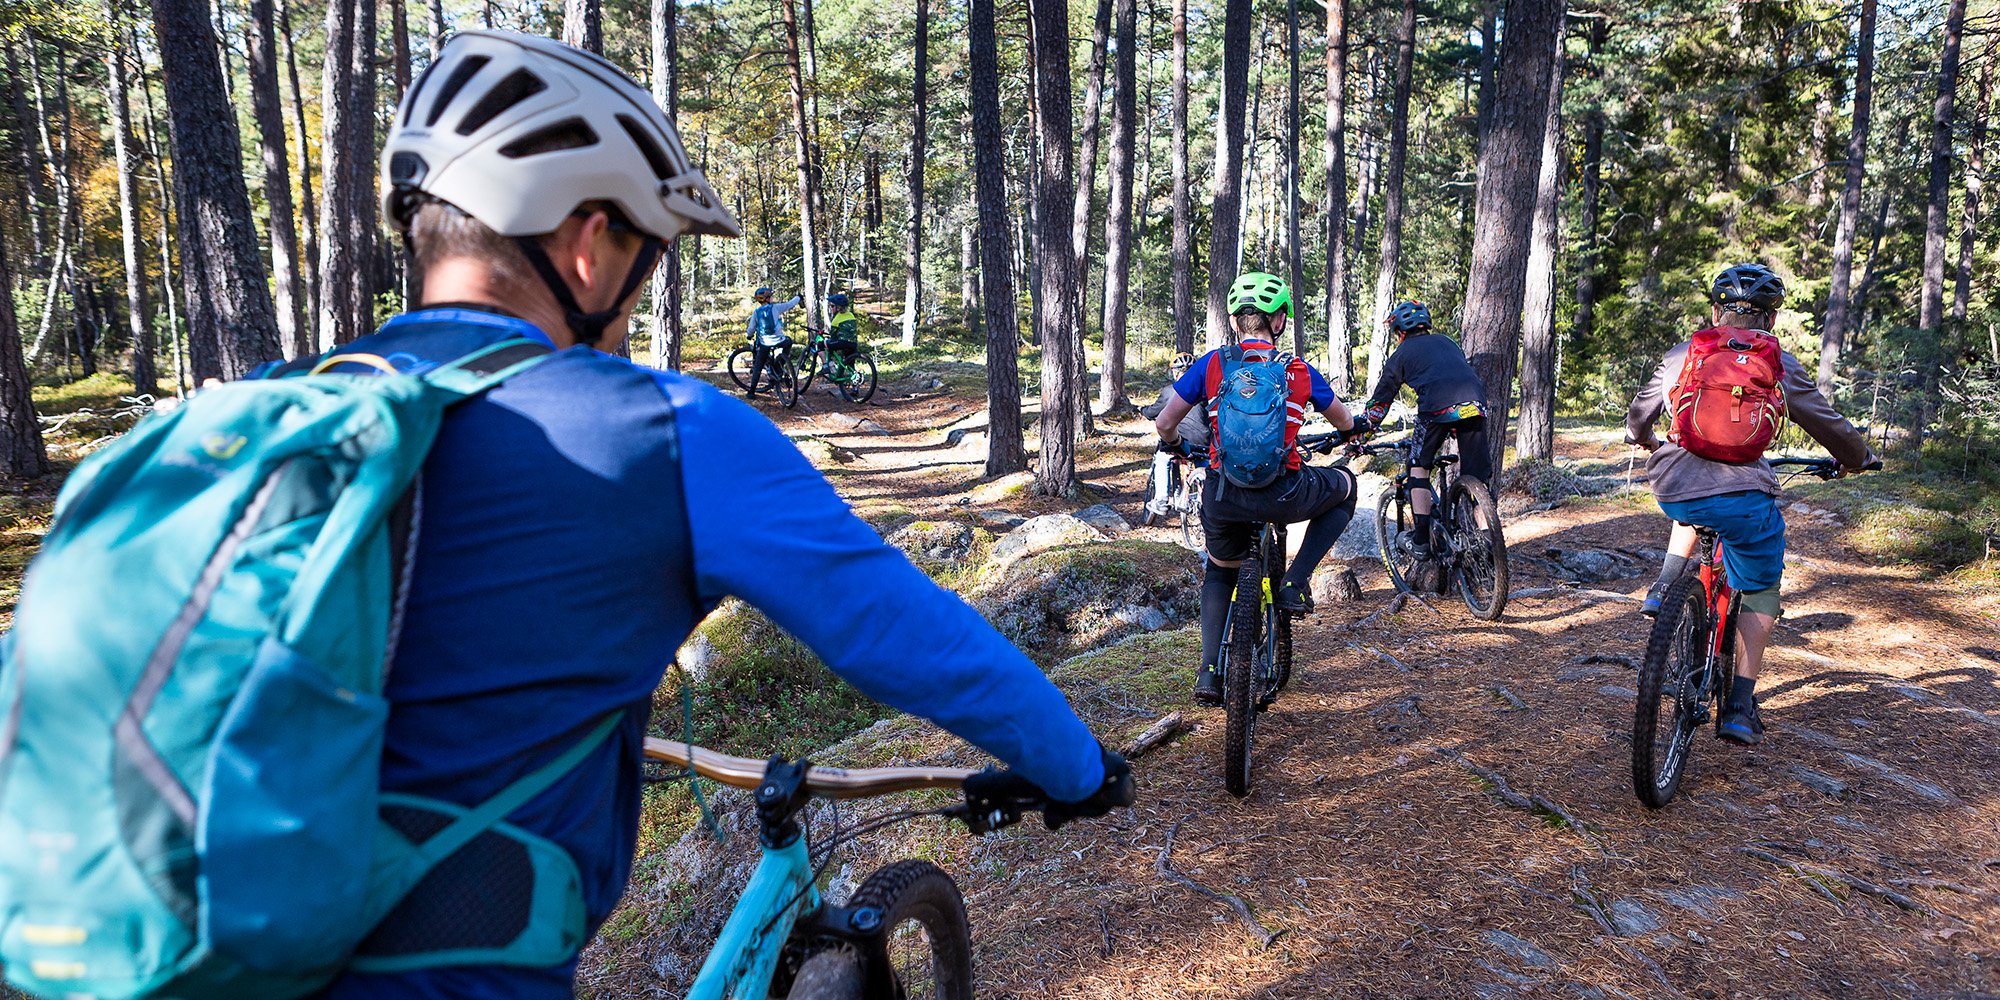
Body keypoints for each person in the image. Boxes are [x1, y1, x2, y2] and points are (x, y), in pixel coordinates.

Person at [296, 30, 1129, 998]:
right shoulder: (664, 430)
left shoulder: (263, 415)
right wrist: (1076, 766)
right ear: (587, 241)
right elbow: (908, 635)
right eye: (648, 253)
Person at [1626, 262, 1876, 745]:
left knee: (1694, 507)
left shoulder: (1685, 353)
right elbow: (1825, 422)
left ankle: (1662, 587)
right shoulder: (1778, 360)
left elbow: (1640, 414)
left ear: (1716, 310)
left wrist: (1648, 440)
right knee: (1761, 583)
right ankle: (1739, 703)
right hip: (1744, 496)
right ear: (1772, 319)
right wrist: (1857, 457)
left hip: (1675, 483)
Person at [1153, 273, 1360, 704]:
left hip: (1223, 495)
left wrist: (1180, 448)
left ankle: (1209, 672)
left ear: (1234, 321)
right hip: (1284, 492)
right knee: (1346, 486)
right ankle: (1295, 583)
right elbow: (1344, 422)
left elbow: (1165, 422)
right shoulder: (1297, 369)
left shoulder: (1210, 364)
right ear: (1279, 320)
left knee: (1219, 569)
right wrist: (1348, 435)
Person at [1354, 300, 1492, 565]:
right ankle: (1489, 541)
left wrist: (1361, 436)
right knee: (1476, 477)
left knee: (1418, 467)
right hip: (1475, 404)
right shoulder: (1448, 342)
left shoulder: (1402, 354)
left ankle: (1419, 541)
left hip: (1435, 409)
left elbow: (1380, 403)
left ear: (1399, 332)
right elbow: (1452, 374)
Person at [1139, 352, 1208, 520]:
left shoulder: (1171, 391)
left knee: (1162, 459)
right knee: (1205, 466)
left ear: (1175, 372)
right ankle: (1207, 498)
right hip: (1205, 440)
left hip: (1179, 440)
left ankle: (1161, 499)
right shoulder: (1204, 390)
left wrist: (1142, 411)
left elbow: (1154, 411)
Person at [746, 286, 802, 396]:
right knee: (788, 342)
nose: (772, 298)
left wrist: (749, 335)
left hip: (765, 343)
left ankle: (751, 391)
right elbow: (789, 304)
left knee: (758, 364)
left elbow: (751, 328)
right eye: (770, 296)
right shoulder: (775, 308)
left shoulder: (756, 312)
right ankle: (779, 365)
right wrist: (798, 298)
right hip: (779, 340)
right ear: (767, 299)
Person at [823, 291, 863, 373]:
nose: (831, 308)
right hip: (853, 344)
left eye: (832, 306)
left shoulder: (836, 319)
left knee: (822, 344)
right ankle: (854, 379)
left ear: (838, 307)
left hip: (842, 343)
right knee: (850, 365)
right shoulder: (851, 315)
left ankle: (827, 366)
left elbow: (833, 335)